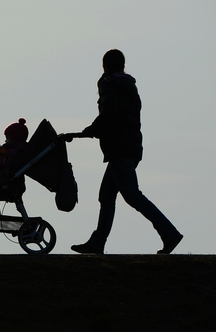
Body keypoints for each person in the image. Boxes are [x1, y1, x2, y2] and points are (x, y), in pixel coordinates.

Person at [70, 49, 182, 255]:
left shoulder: (108, 83)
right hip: (131, 146)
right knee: (106, 196)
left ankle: (169, 233)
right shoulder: (129, 85)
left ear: (104, 65)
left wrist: (91, 131)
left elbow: (109, 112)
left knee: (131, 195)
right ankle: (97, 242)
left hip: (119, 148)